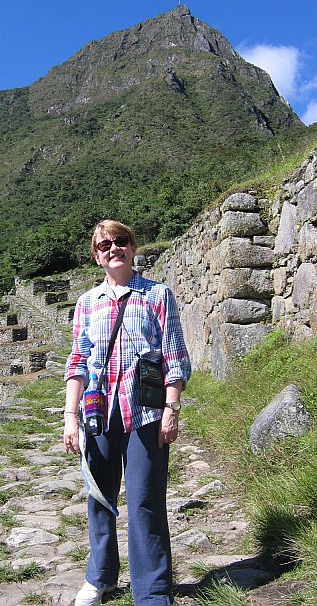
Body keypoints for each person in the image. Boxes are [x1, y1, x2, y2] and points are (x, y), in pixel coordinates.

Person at [63, 220, 191, 606]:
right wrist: (70, 415)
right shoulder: (87, 303)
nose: (113, 248)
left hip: (146, 413)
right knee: (99, 495)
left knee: (144, 500)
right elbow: (78, 361)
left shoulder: (158, 295)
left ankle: (151, 591)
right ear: (96, 255)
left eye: (120, 241)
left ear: (133, 247)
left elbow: (174, 357)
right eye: (105, 245)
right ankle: (100, 577)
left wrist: (172, 407)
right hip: (98, 412)